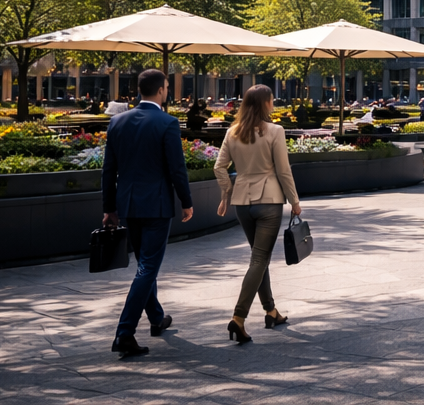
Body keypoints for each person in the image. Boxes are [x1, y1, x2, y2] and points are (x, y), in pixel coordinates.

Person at [101, 68, 193, 358]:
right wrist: (187, 202)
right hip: (156, 206)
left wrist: (108, 208)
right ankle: (124, 332)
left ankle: (156, 318)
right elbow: (176, 169)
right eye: (167, 87)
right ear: (162, 90)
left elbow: (108, 171)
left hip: (128, 206)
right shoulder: (168, 122)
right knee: (147, 269)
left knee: (144, 264)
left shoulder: (117, 122)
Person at [214, 84, 300, 344]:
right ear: (265, 103)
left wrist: (227, 194)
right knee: (259, 259)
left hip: (242, 203)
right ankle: (238, 318)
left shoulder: (232, 132)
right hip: (269, 201)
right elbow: (284, 171)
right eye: (272, 100)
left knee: (258, 258)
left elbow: (219, 167)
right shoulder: (275, 131)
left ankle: (271, 311)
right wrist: (295, 201)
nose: (273, 104)